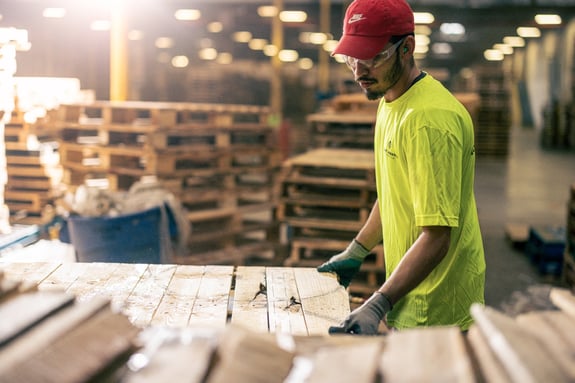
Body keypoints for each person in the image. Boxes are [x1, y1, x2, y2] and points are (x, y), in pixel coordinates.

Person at [317, 0, 486, 334]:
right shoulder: (391, 101)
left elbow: (437, 237)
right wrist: (357, 249)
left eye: (373, 57)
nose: (358, 70)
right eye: (353, 57)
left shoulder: (429, 120)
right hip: (410, 296)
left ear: (406, 47)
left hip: (439, 311)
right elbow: (395, 192)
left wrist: (379, 302)